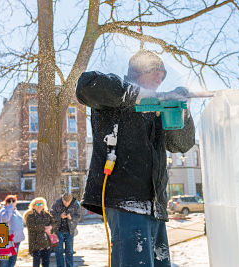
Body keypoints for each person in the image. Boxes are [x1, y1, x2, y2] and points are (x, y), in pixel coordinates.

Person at [76, 49, 195, 266]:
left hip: (155, 206)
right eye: (154, 70)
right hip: (125, 200)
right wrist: (136, 94)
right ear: (135, 71)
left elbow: (181, 144)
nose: (160, 76)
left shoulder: (159, 107)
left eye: (163, 73)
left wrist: (180, 109)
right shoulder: (115, 93)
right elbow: (84, 86)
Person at [50, 193, 81, 267]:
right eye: (64, 202)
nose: (66, 204)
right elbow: (51, 215)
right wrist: (59, 216)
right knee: (59, 251)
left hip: (70, 231)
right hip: (58, 231)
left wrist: (71, 218)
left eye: (68, 202)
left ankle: (69, 266)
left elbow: (78, 216)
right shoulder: (57, 203)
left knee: (69, 251)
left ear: (71, 200)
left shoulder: (75, 204)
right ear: (62, 199)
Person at [24, 197, 54, 267]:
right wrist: (44, 228)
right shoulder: (30, 216)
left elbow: (53, 222)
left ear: (43, 205)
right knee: (36, 264)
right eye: (37, 204)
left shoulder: (47, 214)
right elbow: (31, 227)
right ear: (33, 205)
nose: (39, 205)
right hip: (36, 243)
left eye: (41, 204)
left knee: (46, 264)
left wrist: (51, 227)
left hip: (46, 243)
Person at [0, 195, 25, 267]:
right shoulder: (3, 210)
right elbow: (5, 219)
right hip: (6, 241)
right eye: (9, 201)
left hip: (16, 240)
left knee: (12, 262)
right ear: (5, 202)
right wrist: (9, 208)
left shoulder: (16, 211)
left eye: (13, 201)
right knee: (4, 263)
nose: (11, 203)